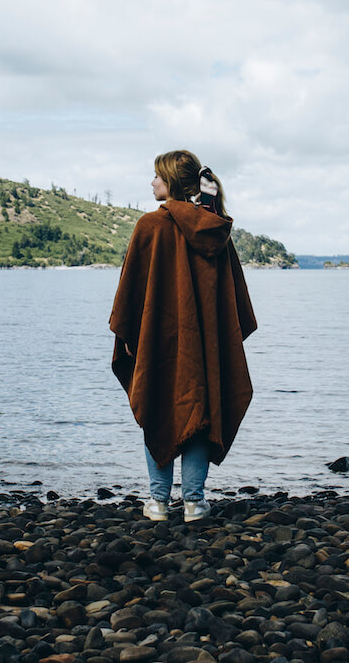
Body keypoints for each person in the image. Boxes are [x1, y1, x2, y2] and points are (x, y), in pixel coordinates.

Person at [109, 150, 257, 522]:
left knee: (156, 404)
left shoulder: (150, 226)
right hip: (205, 343)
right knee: (201, 411)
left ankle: (158, 502)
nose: (152, 182)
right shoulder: (215, 228)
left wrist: (129, 334)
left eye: (157, 176)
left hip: (158, 339)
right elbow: (231, 298)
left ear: (172, 182)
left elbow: (131, 292)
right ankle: (194, 502)